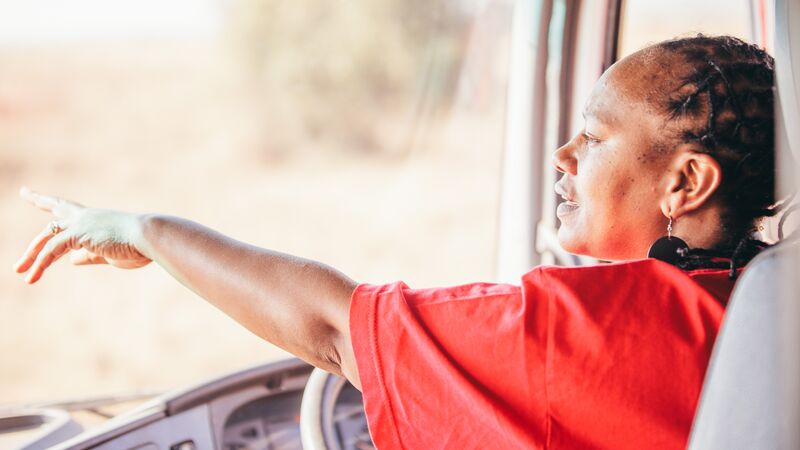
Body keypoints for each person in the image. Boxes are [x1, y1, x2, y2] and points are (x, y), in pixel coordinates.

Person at [14, 35, 779, 449]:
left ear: (685, 182)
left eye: (595, 137)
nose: (563, 157)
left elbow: (332, 329)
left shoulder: (581, 328)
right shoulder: (766, 307)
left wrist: (145, 229)